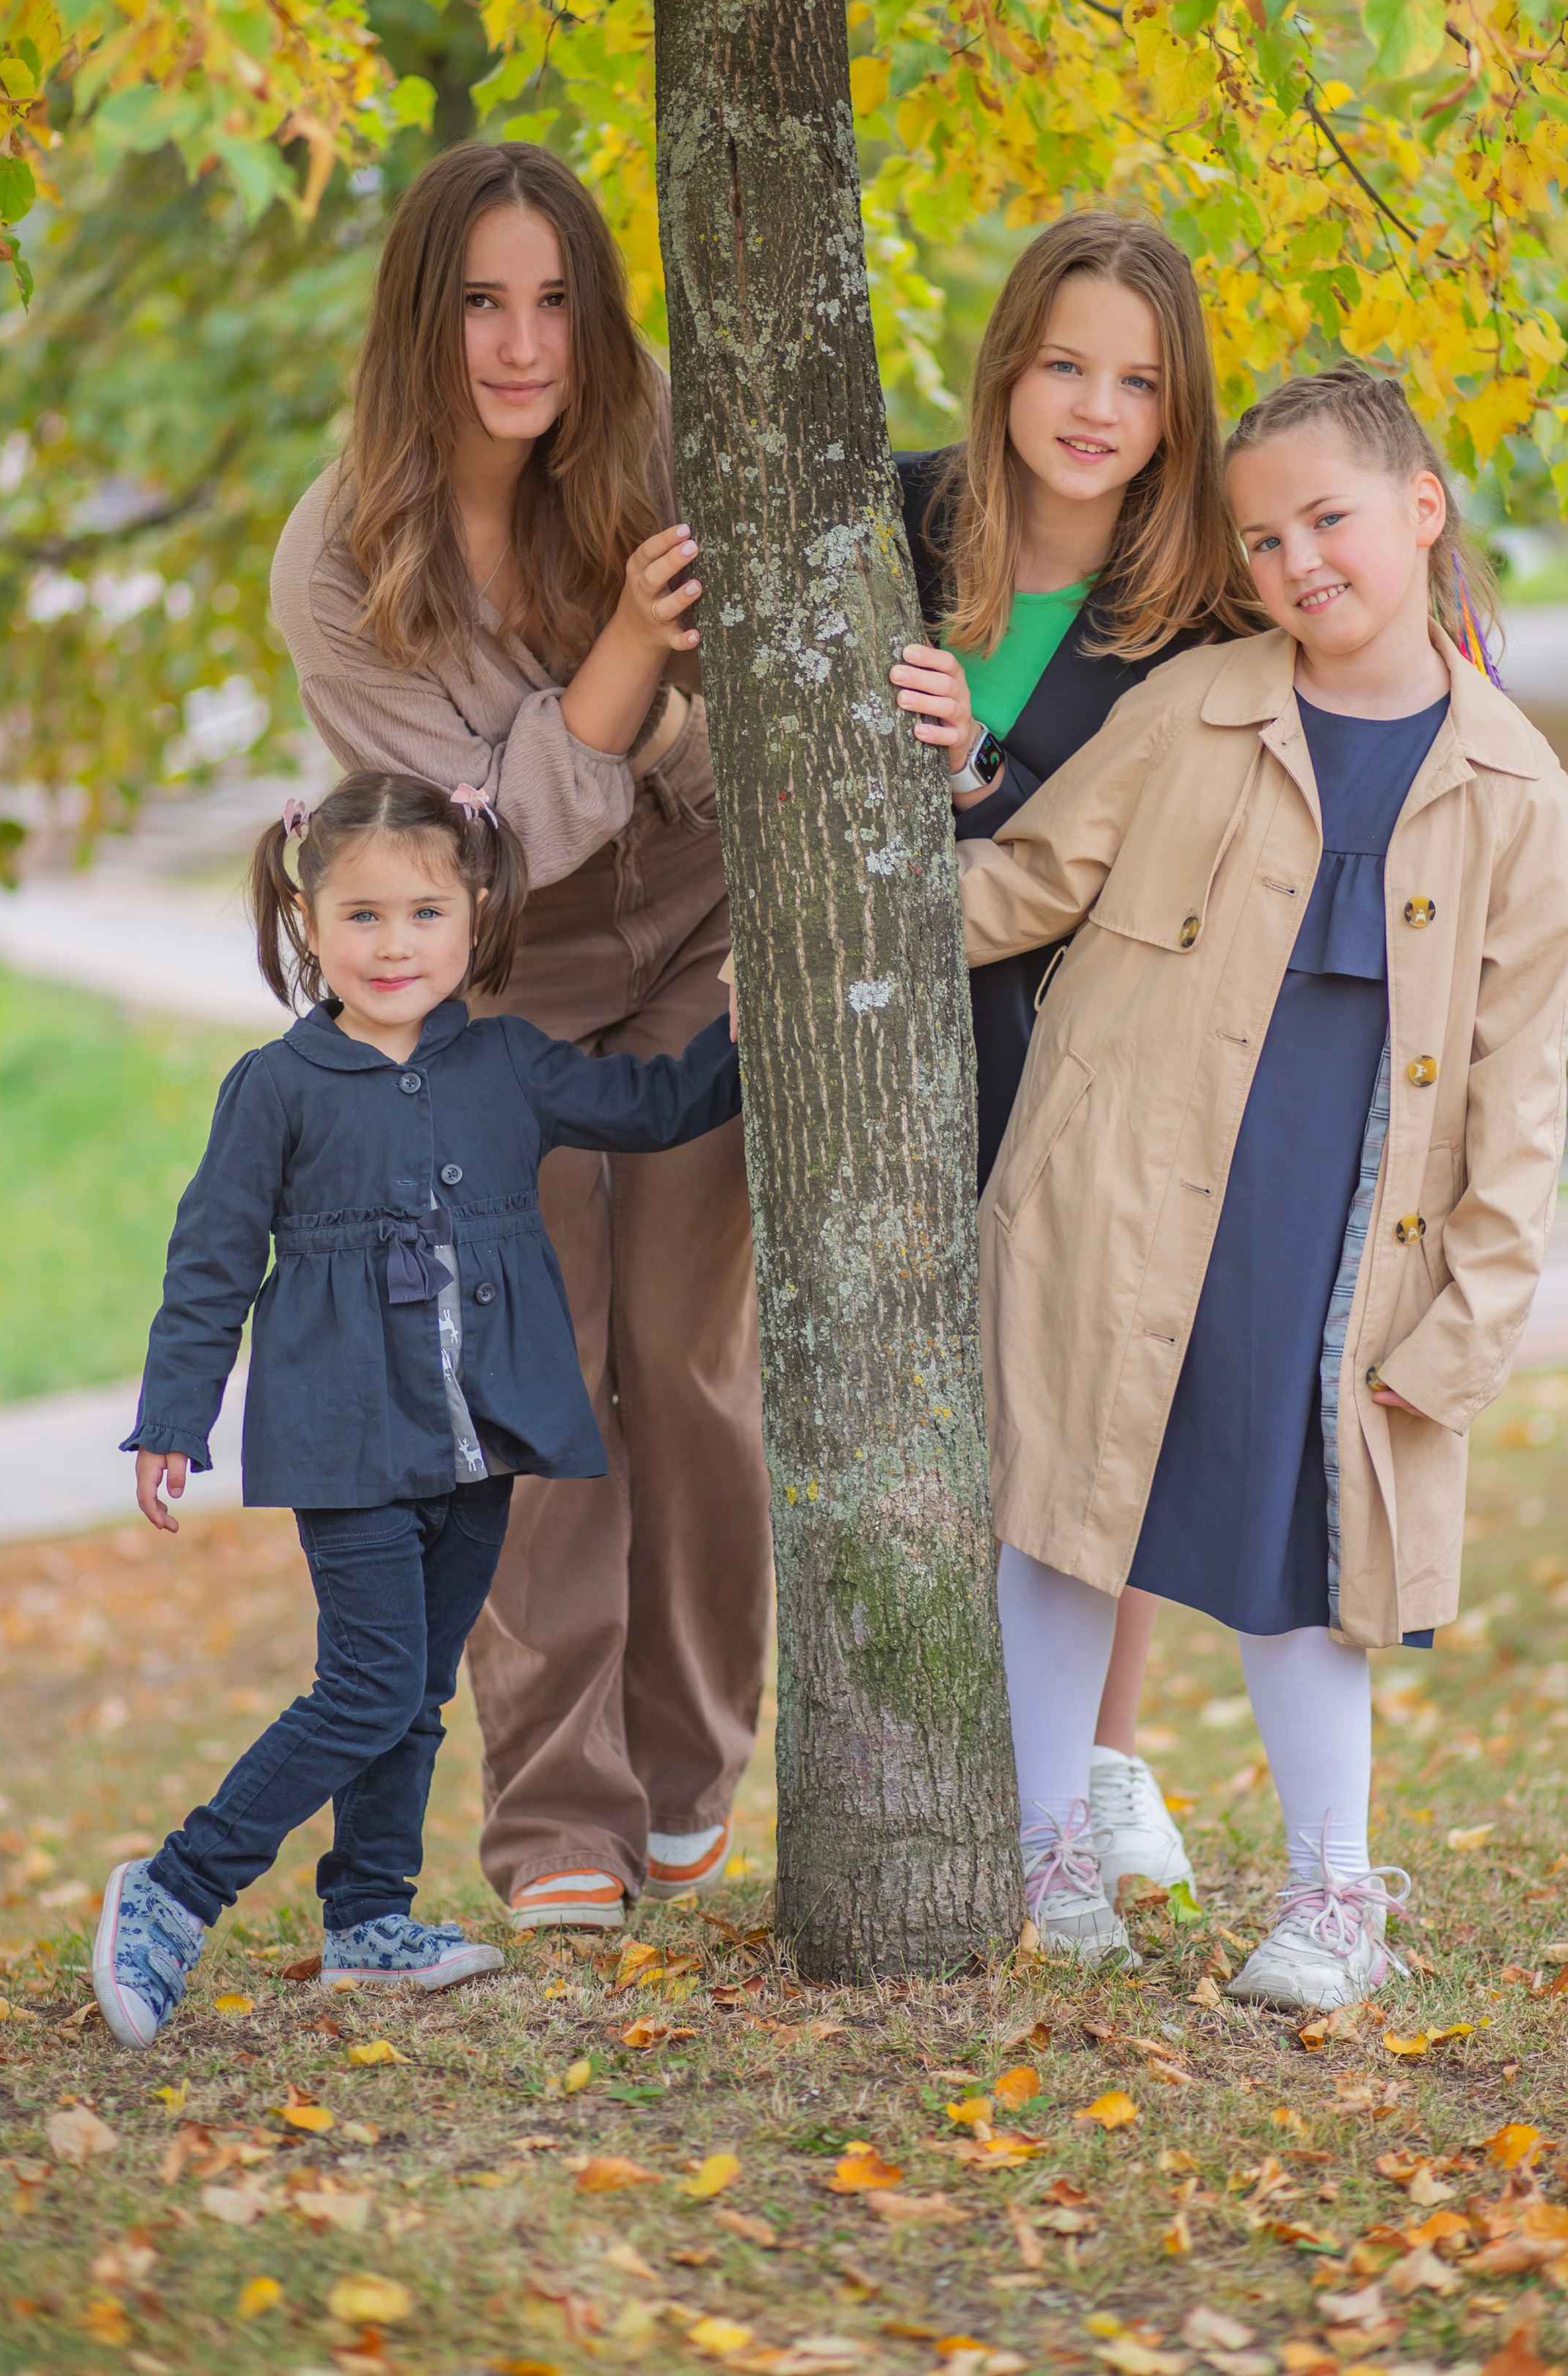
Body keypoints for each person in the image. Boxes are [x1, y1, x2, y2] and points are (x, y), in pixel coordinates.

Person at [953, 363, 1568, 2001]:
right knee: (1067, 1514)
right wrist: (821, 950)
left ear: (1420, 508)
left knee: (1306, 1552)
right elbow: (1027, 877)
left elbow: (1519, 1090)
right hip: (1130, 1190)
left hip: (1337, 1230)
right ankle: (1050, 1848)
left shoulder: (1513, 786)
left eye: (1329, 519)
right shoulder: (1194, 710)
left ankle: (1329, 1894)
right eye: (1263, 537)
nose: (1299, 560)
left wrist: (1466, 1317)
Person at [271, 142, 767, 1934]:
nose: (520, 341)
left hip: (705, 922)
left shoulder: (650, 458)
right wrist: (629, 657)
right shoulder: (335, 565)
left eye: (553, 297)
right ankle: (561, 1813)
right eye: (480, 299)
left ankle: (693, 1758)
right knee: (537, 1381)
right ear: (423, 313)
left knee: (688, 1360)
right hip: (504, 973)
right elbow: (481, 846)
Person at [92, 772, 742, 2049]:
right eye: (365, 916)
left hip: (480, 1440)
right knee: (367, 1682)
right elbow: (212, 1259)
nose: (396, 945)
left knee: (421, 1689)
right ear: (307, 914)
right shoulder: (276, 1087)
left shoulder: (506, 1060)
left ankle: (371, 1918)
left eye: (426, 913)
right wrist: (175, 1413)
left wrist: (743, 1021)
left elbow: (659, 1109)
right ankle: (173, 1889)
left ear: (478, 910)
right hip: (347, 1439)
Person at [885, 214, 1262, 1907]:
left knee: (1094, 1396)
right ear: (1006, 366)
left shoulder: (1193, 612)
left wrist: (979, 766)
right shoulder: (897, 520)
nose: (1094, 408)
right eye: (1061, 365)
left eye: (1135, 379)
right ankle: (987, 1763)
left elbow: (1129, 852)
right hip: (886, 1044)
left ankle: (1103, 1759)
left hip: (1082, 1036)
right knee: (938, 1419)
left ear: (1177, 407)